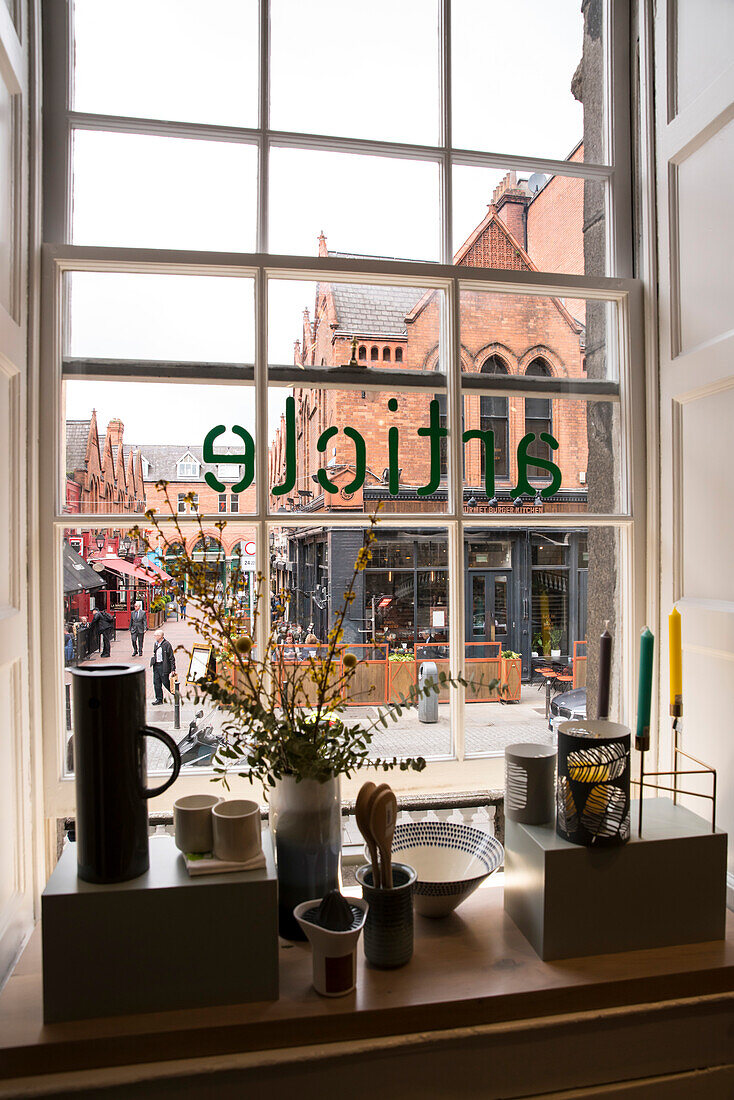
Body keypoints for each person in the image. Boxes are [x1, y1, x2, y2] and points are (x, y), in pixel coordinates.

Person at [150, 629, 176, 705]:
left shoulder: (167, 644)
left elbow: (171, 657)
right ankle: (159, 699)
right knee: (156, 683)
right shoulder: (156, 644)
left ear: (160, 636)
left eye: (155, 635)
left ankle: (175, 693)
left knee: (165, 682)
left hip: (163, 666)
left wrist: (173, 669)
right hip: (156, 666)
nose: (154, 637)